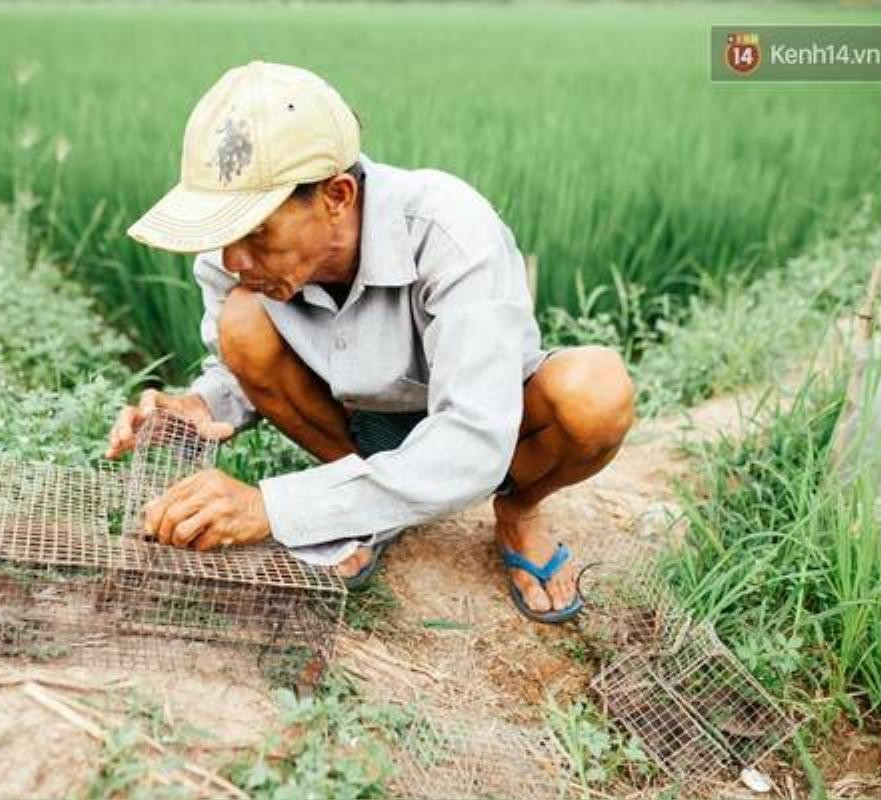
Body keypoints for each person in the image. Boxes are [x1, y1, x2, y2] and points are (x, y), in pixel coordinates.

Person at [107, 61, 635, 623]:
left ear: (336, 195)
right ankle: (363, 510)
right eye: (223, 231)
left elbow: (475, 437)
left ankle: (521, 509)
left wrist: (275, 507)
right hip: (355, 425)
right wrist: (202, 405)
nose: (233, 259)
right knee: (241, 319)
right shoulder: (238, 261)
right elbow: (239, 368)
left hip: (487, 422)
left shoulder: (451, 231)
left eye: (257, 231)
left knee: (595, 394)